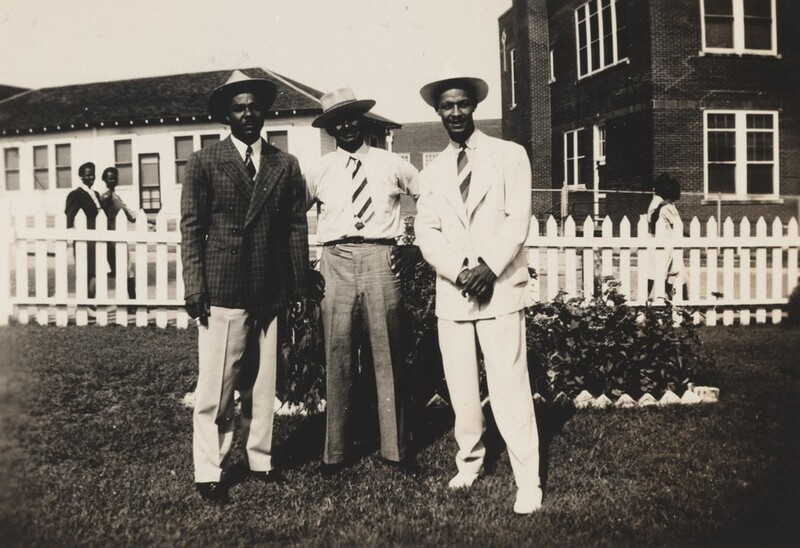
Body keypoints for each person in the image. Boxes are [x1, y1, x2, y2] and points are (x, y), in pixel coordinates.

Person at [414, 75, 542, 514]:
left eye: (463, 104)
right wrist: (460, 270)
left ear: (474, 107)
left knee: (509, 386)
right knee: (462, 389)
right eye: (447, 106)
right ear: (438, 111)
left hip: (501, 287)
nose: (455, 113)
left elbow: (518, 218)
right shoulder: (432, 172)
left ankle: (528, 480)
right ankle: (469, 463)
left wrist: (488, 267)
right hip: (455, 292)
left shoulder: (509, 155)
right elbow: (426, 232)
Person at [180, 70, 309, 504]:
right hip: (224, 288)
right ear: (226, 116)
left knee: (262, 384)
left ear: (264, 111)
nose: (248, 114)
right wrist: (195, 285)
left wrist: (298, 285)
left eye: (254, 106)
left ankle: (261, 459)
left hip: (270, 288)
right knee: (217, 386)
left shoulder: (284, 164)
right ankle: (209, 470)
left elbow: (295, 228)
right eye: (239, 108)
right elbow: (192, 229)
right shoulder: (204, 161)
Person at [304, 87, 420, 475]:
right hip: (335, 260)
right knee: (337, 354)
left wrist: (415, 245)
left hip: (380, 257)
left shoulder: (391, 163)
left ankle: (396, 450)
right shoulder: (319, 170)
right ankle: (335, 452)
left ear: (363, 119)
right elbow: (290, 214)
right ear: (330, 128)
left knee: (387, 355)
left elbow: (430, 197)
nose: (347, 125)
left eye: (352, 117)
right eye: (338, 121)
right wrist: (303, 265)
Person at [646, 173, 687, 300]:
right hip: (668, 244)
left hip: (664, 243)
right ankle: (681, 300)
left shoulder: (661, 204)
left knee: (670, 274)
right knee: (673, 273)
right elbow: (678, 225)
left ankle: (669, 296)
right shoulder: (666, 206)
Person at [65, 161, 102, 302]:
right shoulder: (76, 194)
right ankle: (86, 303)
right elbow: (69, 217)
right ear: (81, 176)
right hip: (84, 240)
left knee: (97, 271)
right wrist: (70, 241)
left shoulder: (96, 194)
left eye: (93, 174)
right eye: (88, 175)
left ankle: (90, 302)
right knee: (87, 272)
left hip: (97, 238)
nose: (91, 177)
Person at [100, 167, 137, 299]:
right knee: (124, 269)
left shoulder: (115, 196)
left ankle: (132, 300)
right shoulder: (105, 196)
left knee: (127, 269)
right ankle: (131, 301)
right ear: (104, 179)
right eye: (110, 178)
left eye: (114, 178)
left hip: (119, 236)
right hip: (111, 239)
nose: (112, 180)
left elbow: (127, 212)